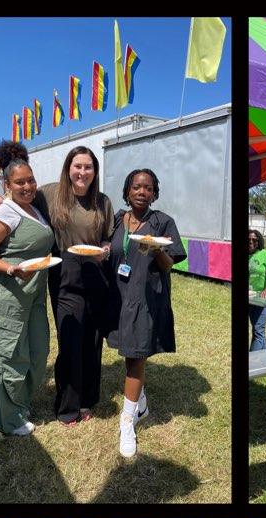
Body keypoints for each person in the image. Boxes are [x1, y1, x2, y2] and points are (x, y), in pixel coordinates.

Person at [0, 146, 115, 426]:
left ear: (95, 171)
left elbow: (108, 238)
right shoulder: (50, 193)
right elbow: (20, 197)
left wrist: (105, 248)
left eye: (88, 167)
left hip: (96, 272)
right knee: (70, 339)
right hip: (65, 272)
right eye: (77, 166)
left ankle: (87, 400)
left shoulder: (103, 202)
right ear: (68, 168)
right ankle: (67, 407)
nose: (82, 172)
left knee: (92, 341)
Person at [0, 141, 55, 436]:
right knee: (6, 355)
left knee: (36, 351)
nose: (27, 186)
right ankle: (6, 419)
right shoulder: (4, 211)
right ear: (6, 184)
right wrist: (10, 268)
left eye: (30, 180)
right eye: (19, 182)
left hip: (33, 295)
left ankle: (19, 404)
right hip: (6, 294)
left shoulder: (35, 208)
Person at [105, 169, 186, 458]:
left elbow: (168, 265)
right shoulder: (115, 221)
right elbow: (111, 250)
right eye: (136, 187)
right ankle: (140, 403)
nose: (142, 192)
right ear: (127, 191)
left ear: (154, 193)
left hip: (146, 297)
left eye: (148, 188)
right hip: (118, 296)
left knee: (135, 355)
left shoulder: (163, 222)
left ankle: (127, 420)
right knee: (129, 352)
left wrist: (154, 248)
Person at [248, 229, 266, 352]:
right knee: (257, 329)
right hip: (251, 298)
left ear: (259, 241)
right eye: (248, 239)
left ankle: (252, 362)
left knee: (258, 328)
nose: (251, 242)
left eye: (254, 240)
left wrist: (265, 291)